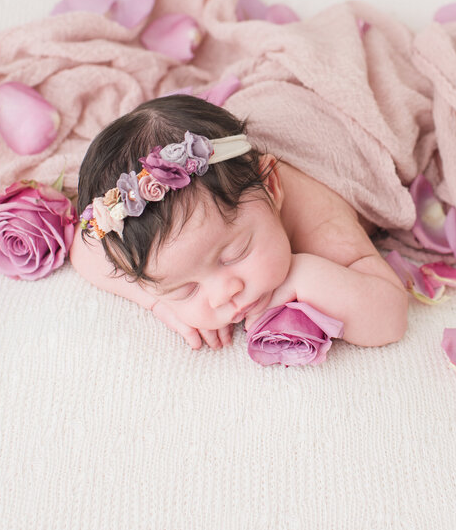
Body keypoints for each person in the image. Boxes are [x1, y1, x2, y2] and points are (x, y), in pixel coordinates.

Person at [69, 94, 409, 351]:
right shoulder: (132, 224)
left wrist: (302, 274)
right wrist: (159, 303)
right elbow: (84, 251)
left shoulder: (318, 217)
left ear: (272, 187)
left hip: (326, 114)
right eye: (186, 289)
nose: (223, 295)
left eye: (235, 254)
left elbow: (390, 318)